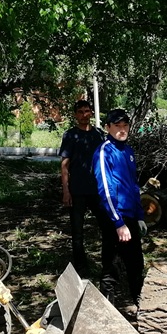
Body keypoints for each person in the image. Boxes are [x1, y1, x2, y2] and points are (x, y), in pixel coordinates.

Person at [93, 108, 146, 309]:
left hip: (130, 217)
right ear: (108, 128)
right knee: (112, 266)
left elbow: (133, 185)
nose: (122, 130)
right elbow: (105, 190)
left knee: (136, 264)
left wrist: (139, 216)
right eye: (117, 126)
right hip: (113, 218)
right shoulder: (104, 151)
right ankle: (107, 312)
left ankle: (141, 307)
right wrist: (118, 222)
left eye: (125, 125)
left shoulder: (128, 151)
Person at [59, 99, 106, 275]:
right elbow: (64, 165)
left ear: (91, 113)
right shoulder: (70, 135)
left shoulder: (99, 135)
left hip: (97, 191)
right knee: (77, 233)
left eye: (87, 111)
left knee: (107, 227)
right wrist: (66, 190)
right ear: (75, 115)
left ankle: (108, 262)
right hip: (77, 191)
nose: (84, 115)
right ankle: (81, 267)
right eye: (80, 112)